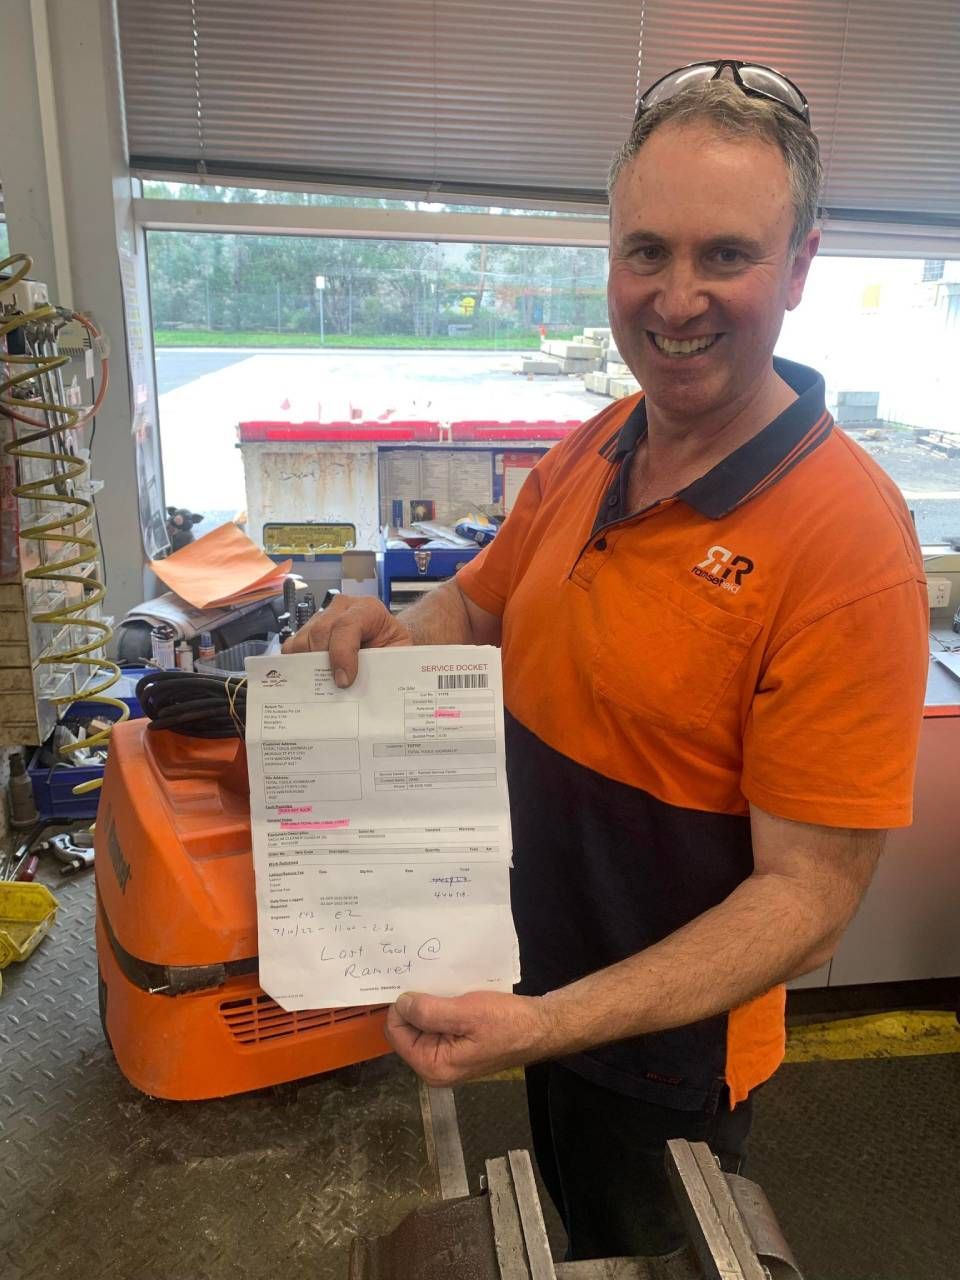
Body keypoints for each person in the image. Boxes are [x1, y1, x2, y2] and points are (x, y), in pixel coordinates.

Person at [286, 61, 928, 1260]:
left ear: (799, 267)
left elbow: (807, 903)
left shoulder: (849, 544)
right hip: (524, 977)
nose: (676, 299)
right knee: (565, 1228)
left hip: (666, 1059)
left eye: (725, 255)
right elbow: (476, 605)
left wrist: (548, 1022)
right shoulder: (597, 443)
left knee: (642, 1247)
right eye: (647, 251)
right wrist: (390, 636)